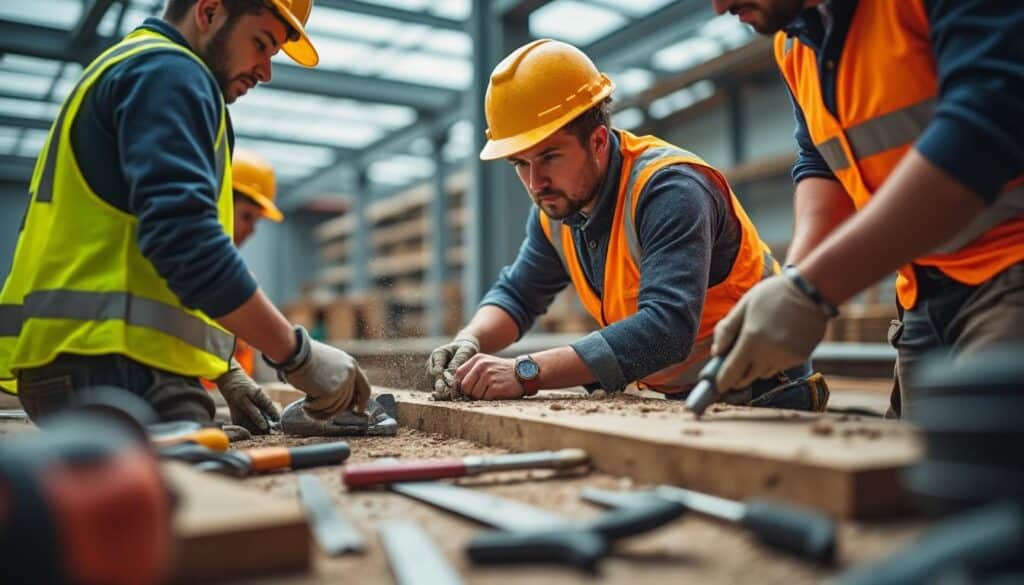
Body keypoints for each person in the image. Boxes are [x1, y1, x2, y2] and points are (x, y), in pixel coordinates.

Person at [0, 0, 371, 428]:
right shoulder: (169, 71)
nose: (266, 71)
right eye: (261, 43)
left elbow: (139, 256)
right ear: (209, 12)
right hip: (116, 369)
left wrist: (224, 370)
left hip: (82, 364)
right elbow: (186, 243)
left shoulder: (131, 65)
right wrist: (297, 355)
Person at [427, 39, 828, 410]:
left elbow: (666, 329)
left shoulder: (671, 189)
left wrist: (525, 372)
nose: (535, 183)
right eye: (520, 163)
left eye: (549, 157)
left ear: (598, 141)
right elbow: (518, 293)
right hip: (683, 399)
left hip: (764, 394)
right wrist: (471, 339)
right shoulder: (557, 209)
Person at [709, 0, 1024, 415]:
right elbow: (823, 159)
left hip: (1011, 266)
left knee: (979, 449)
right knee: (910, 453)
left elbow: (984, 125)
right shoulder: (793, 43)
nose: (719, 7)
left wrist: (813, 290)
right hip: (920, 288)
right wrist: (794, 280)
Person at [202, 147, 286, 433]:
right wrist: (299, 356)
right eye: (247, 216)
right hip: (194, 402)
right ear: (220, 203)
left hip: (216, 403)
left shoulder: (238, 278)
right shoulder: (192, 270)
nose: (252, 230)